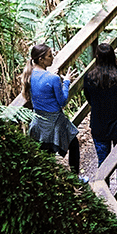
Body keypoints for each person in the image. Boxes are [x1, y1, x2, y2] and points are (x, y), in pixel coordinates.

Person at [23, 43, 80, 174]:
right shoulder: (53, 78)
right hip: (55, 121)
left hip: (39, 121)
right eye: (50, 55)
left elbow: (42, 86)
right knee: (74, 144)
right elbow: (62, 101)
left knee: (45, 154)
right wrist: (66, 82)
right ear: (41, 59)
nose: (53, 57)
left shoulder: (30, 75)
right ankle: (75, 177)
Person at [81, 42, 117, 184]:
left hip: (99, 124)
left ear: (97, 57)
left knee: (103, 162)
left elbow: (89, 99)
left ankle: (104, 198)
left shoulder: (89, 78)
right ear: (113, 56)